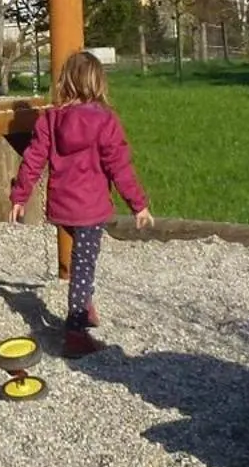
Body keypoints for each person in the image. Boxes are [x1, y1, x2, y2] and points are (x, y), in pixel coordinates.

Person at [8, 49, 153, 358]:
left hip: (63, 208)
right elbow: (119, 166)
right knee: (84, 265)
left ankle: (85, 304)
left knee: (82, 258)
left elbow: (33, 160)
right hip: (90, 209)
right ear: (98, 83)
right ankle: (75, 331)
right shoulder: (105, 121)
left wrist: (20, 196)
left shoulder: (50, 119)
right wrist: (138, 204)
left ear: (66, 83)